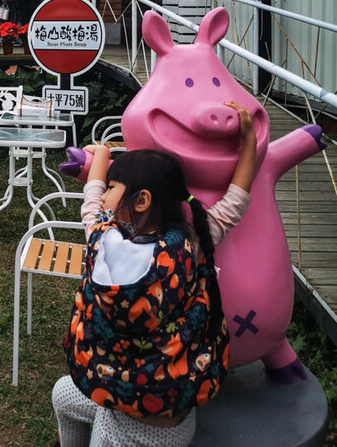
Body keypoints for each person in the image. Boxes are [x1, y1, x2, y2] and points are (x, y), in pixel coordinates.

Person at [52, 101, 257, 447]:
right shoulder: (192, 243)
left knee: (80, 407)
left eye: (113, 187)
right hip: (174, 401)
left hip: (125, 426)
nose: (105, 195)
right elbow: (235, 202)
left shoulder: (103, 240)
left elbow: (91, 200)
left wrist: (101, 154)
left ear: (141, 200)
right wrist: (249, 141)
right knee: (63, 394)